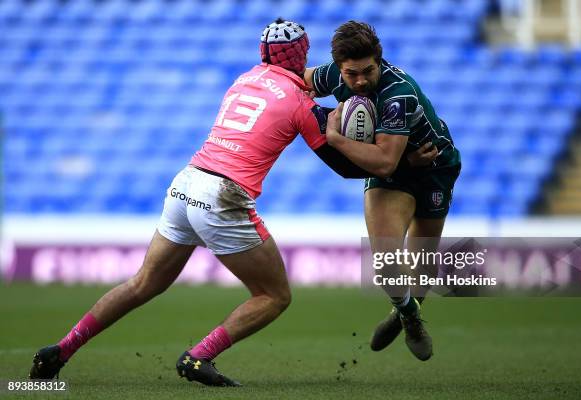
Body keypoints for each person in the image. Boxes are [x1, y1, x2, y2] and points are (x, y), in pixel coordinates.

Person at [28, 18, 380, 387]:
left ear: (263, 53)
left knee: (143, 282)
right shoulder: (298, 102)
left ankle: (61, 349)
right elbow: (343, 166)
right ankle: (199, 356)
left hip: (187, 182)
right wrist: (380, 155)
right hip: (223, 196)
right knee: (274, 295)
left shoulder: (243, 80)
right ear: (304, 53)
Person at [305, 20, 461, 361]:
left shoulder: (397, 93)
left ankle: (408, 308)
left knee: (423, 259)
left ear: (380, 60)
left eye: (368, 71)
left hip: (436, 167)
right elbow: (297, 82)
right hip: (396, 172)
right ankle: (409, 317)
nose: (360, 81)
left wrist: (335, 138)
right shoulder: (333, 74)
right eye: (351, 74)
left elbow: (384, 162)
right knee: (388, 263)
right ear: (339, 68)